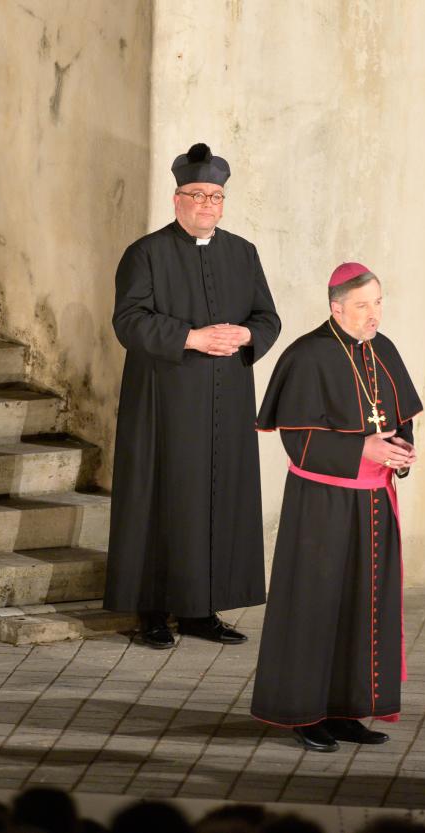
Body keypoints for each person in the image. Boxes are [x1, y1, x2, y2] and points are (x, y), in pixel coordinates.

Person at [103, 142, 281, 648]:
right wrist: (191, 337)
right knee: (164, 500)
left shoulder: (243, 253)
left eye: (216, 197)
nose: (207, 205)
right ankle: (153, 612)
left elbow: (267, 317)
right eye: (197, 195)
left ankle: (203, 610)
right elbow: (129, 320)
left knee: (219, 499)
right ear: (177, 198)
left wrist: (247, 337)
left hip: (228, 401)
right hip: (166, 401)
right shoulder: (146, 253)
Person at [252, 262, 422, 752]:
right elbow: (297, 440)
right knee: (316, 606)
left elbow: (398, 417)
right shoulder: (307, 356)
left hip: (373, 501)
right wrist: (361, 451)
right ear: (336, 307)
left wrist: (402, 453)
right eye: (364, 305)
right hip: (322, 503)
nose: (374, 315)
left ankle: (348, 710)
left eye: (379, 302)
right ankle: (304, 714)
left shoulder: (383, 349)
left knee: (364, 606)